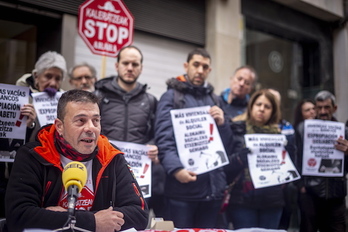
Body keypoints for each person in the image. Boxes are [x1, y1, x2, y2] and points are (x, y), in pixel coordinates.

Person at [5, 89, 148, 232]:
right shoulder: (33, 155)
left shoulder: (112, 156)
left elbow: (140, 214)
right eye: (81, 120)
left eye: (96, 121)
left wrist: (63, 218)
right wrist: (92, 222)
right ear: (60, 126)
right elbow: (17, 215)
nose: (91, 128)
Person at [154, 48, 232, 228]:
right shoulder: (171, 97)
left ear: (209, 71)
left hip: (213, 191)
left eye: (205, 67)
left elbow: (227, 145)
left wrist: (223, 124)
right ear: (186, 66)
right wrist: (176, 170)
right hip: (182, 191)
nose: (200, 70)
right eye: (196, 65)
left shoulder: (215, 99)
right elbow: (163, 139)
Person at [94, 45, 166, 220]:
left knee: (134, 222)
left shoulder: (150, 101)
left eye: (135, 64)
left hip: (139, 177)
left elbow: (159, 134)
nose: (130, 68)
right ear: (116, 65)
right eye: (125, 63)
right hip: (104, 174)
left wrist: (156, 148)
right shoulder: (98, 97)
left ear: (141, 68)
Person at [224, 89, 295, 230]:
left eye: (267, 107)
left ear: (273, 111)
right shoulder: (236, 129)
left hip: (272, 200)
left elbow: (291, 169)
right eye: (258, 104)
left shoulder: (281, 136)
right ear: (251, 106)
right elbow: (224, 166)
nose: (262, 109)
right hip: (242, 199)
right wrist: (238, 158)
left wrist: (289, 155)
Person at [295, 90, 348, 232]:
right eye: (319, 107)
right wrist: (301, 185)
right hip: (310, 194)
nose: (323, 111)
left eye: (327, 107)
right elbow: (295, 157)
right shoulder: (302, 129)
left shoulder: (344, 132)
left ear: (334, 108)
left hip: (336, 196)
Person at [16, 50, 67, 142]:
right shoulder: (20, 98)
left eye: (58, 78)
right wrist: (27, 125)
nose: (53, 83)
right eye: (48, 76)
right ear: (36, 76)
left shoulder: (66, 102)